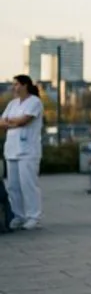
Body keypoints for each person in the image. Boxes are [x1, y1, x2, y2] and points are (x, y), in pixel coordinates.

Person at [0, 75, 45, 230]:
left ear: (25, 85)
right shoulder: (12, 104)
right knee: (13, 186)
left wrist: (11, 122)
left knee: (28, 185)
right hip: (12, 149)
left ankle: (34, 217)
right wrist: (13, 122)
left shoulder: (35, 102)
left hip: (28, 151)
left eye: (17, 84)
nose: (14, 87)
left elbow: (24, 121)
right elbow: (1, 122)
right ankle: (18, 216)